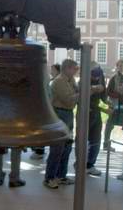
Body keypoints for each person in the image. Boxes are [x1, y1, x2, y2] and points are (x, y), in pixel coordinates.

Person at [44, 59, 79, 189]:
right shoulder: (59, 81)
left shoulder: (71, 80)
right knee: (57, 148)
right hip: (60, 114)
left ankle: (61, 175)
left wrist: (77, 94)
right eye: (75, 69)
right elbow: (68, 101)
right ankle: (49, 178)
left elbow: (72, 99)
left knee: (67, 147)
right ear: (67, 69)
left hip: (68, 114)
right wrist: (82, 93)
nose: (76, 71)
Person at [30, 63, 61, 161]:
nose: (51, 71)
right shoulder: (49, 79)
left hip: (44, 109)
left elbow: (48, 96)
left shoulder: (50, 80)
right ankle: (39, 149)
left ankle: (40, 150)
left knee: (42, 130)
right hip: (45, 108)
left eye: (52, 69)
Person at [103, 59, 123, 151]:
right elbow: (108, 91)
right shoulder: (113, 77)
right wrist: (118, 95)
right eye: (120, 65)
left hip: (122, 103)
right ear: (117, 66)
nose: (121, 67)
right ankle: (106, 144)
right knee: (110, 124)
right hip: (114, 103)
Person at [87, 64, 107, 176]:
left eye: (98, 76)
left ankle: (90, 164)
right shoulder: (83, 82)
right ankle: (81, 163)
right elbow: (83, 101)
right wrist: (104, 110)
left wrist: (106, 102)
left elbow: (103, 95)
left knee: (96, 139)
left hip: (96, 113)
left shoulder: (100, 77)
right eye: (94, 76)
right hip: (85, 114)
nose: (96, 78)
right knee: (84, 139)